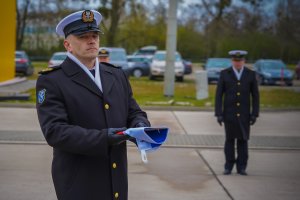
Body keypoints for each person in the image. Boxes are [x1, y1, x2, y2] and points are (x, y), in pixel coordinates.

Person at [36, 10, 150, 200]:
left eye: (95, 35)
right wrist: (104, 137)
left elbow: (133, 111)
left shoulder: (116, 75)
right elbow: (55, 132)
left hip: (117, 180)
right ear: (67, 44)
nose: (91, 41)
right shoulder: (53, 80)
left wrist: (140, 126)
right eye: (83, 36)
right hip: (80, 182)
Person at [215, 50, 259, 176]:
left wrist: (254, 113)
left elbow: (255, 96)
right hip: (229, 114)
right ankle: (228, 166)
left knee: (242, 141)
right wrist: (219, 113)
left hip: (244, 114)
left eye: (240, 61)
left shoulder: (250, 74)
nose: (238, 63)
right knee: (229, 141)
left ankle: (242, 167)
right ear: (232, 61)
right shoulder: (225, 74)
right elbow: (219, 95)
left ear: (244, 61)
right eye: (235, 61)